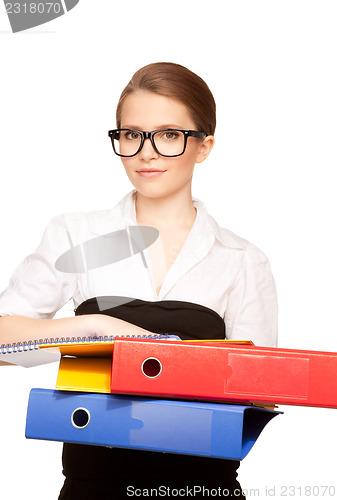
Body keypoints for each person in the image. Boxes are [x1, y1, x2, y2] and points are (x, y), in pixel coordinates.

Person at [0, 62, 278, 499]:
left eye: (169, 134)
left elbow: (259, 396)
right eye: (132, 134)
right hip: (93, 486)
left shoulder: (243, 259)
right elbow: (2, 345)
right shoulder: (75, 234)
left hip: (203, 488)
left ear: (203, 146)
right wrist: (95, 329)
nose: (146, 152)